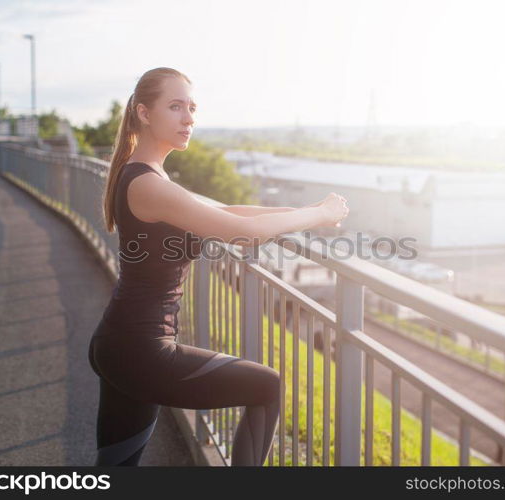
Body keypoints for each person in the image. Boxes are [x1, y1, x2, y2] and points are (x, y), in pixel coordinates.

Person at [88, 67, 349, 466]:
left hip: (120, 344)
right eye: (175, 107)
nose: (189, 118)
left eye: (192, 108)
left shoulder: (148, 174)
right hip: (141, 351)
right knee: (267, 387)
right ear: (143, 112)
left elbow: (226, 211)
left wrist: (311, 210)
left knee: (116, 468)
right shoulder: (149, 184)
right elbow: (243, 233)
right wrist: (317, 216)